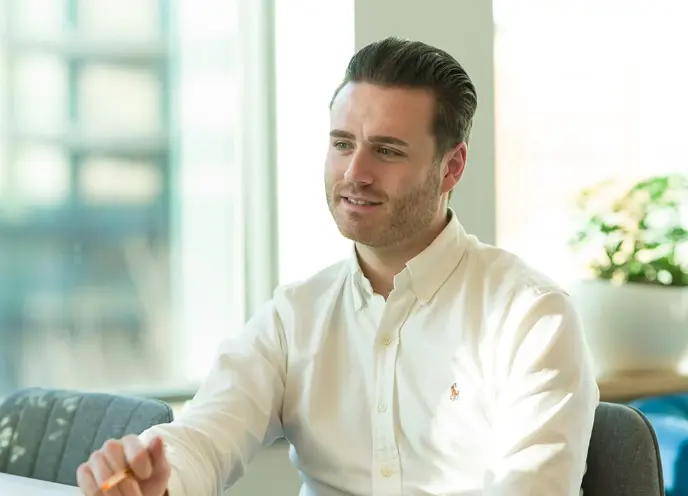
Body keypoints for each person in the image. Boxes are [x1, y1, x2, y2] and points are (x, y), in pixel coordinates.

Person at [77, 37, 599, 496]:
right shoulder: (295, 315)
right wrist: (153, 480)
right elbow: (206, 433)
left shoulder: (531, 318)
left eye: (387, 151)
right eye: (342, 144)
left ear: (452, 167)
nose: (355, 173)